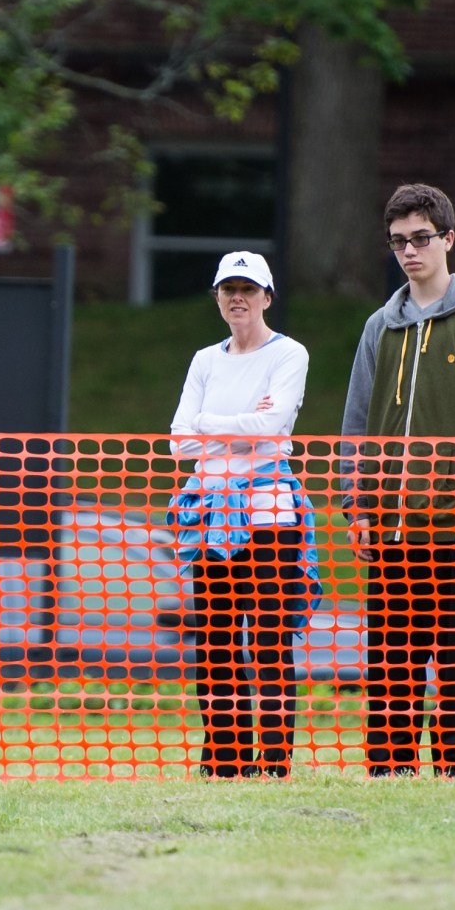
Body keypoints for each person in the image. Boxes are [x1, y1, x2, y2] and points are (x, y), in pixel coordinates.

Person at [342, 183, 455, 778]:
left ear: (447, 239)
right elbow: (356, 422)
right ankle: (390, 766)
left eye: (420, 238)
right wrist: (355, 504)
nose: (409, 251)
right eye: (397, 242)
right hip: (389, 531)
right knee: (391, 657)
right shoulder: (378, 328)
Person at [167, 251, 320, 779]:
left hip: (270, 516)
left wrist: (210, 424)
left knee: (271, 639)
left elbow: (274, 422)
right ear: (217, 297)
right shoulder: (205, 360)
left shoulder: (290, 354)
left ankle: (274, 759)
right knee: (216, 639)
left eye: (248, 289)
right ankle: (224, 759)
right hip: (209, 517)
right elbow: (179, 443)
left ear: (266, 297)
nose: (238, 298)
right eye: (228, 289)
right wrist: (234, 427)